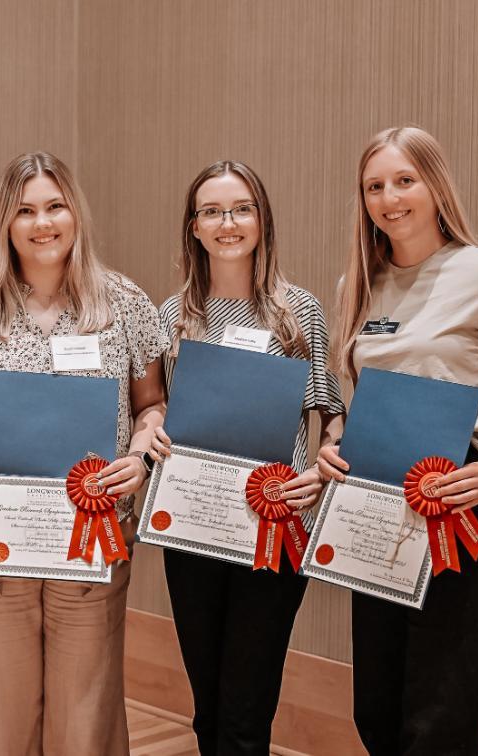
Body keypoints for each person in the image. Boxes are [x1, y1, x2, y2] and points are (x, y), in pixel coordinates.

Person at [318, 126, 478, 755]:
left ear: (434, 185)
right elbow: (354, 399)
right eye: (374, 186)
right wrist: (334, 440)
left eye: (404, 180)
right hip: (376, 499)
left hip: (464, 496)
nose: (389, 198)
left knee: (443, 705)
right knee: (378, 701)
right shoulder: (356, 285)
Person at [0, 151, 167, 756]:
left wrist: (138, 460)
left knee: (85, 710)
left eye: (55, 206)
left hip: (93, 535)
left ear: (75, 213)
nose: (42, 223)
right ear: (6, 222)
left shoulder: (125, 303)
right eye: (25, 210)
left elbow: (152, 406)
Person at [148, 160, 345, 755]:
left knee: (246, 705)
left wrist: (324, 461)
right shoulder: (171, 316)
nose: (227, 222)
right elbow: (154, 408)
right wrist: (153, 432)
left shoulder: (298, 311)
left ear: (262, 220)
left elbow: (329, 413)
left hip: (274, 530)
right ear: (194, 227)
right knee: (207, 705)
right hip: (194, 530)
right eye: (212, 211)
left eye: (241, 209)